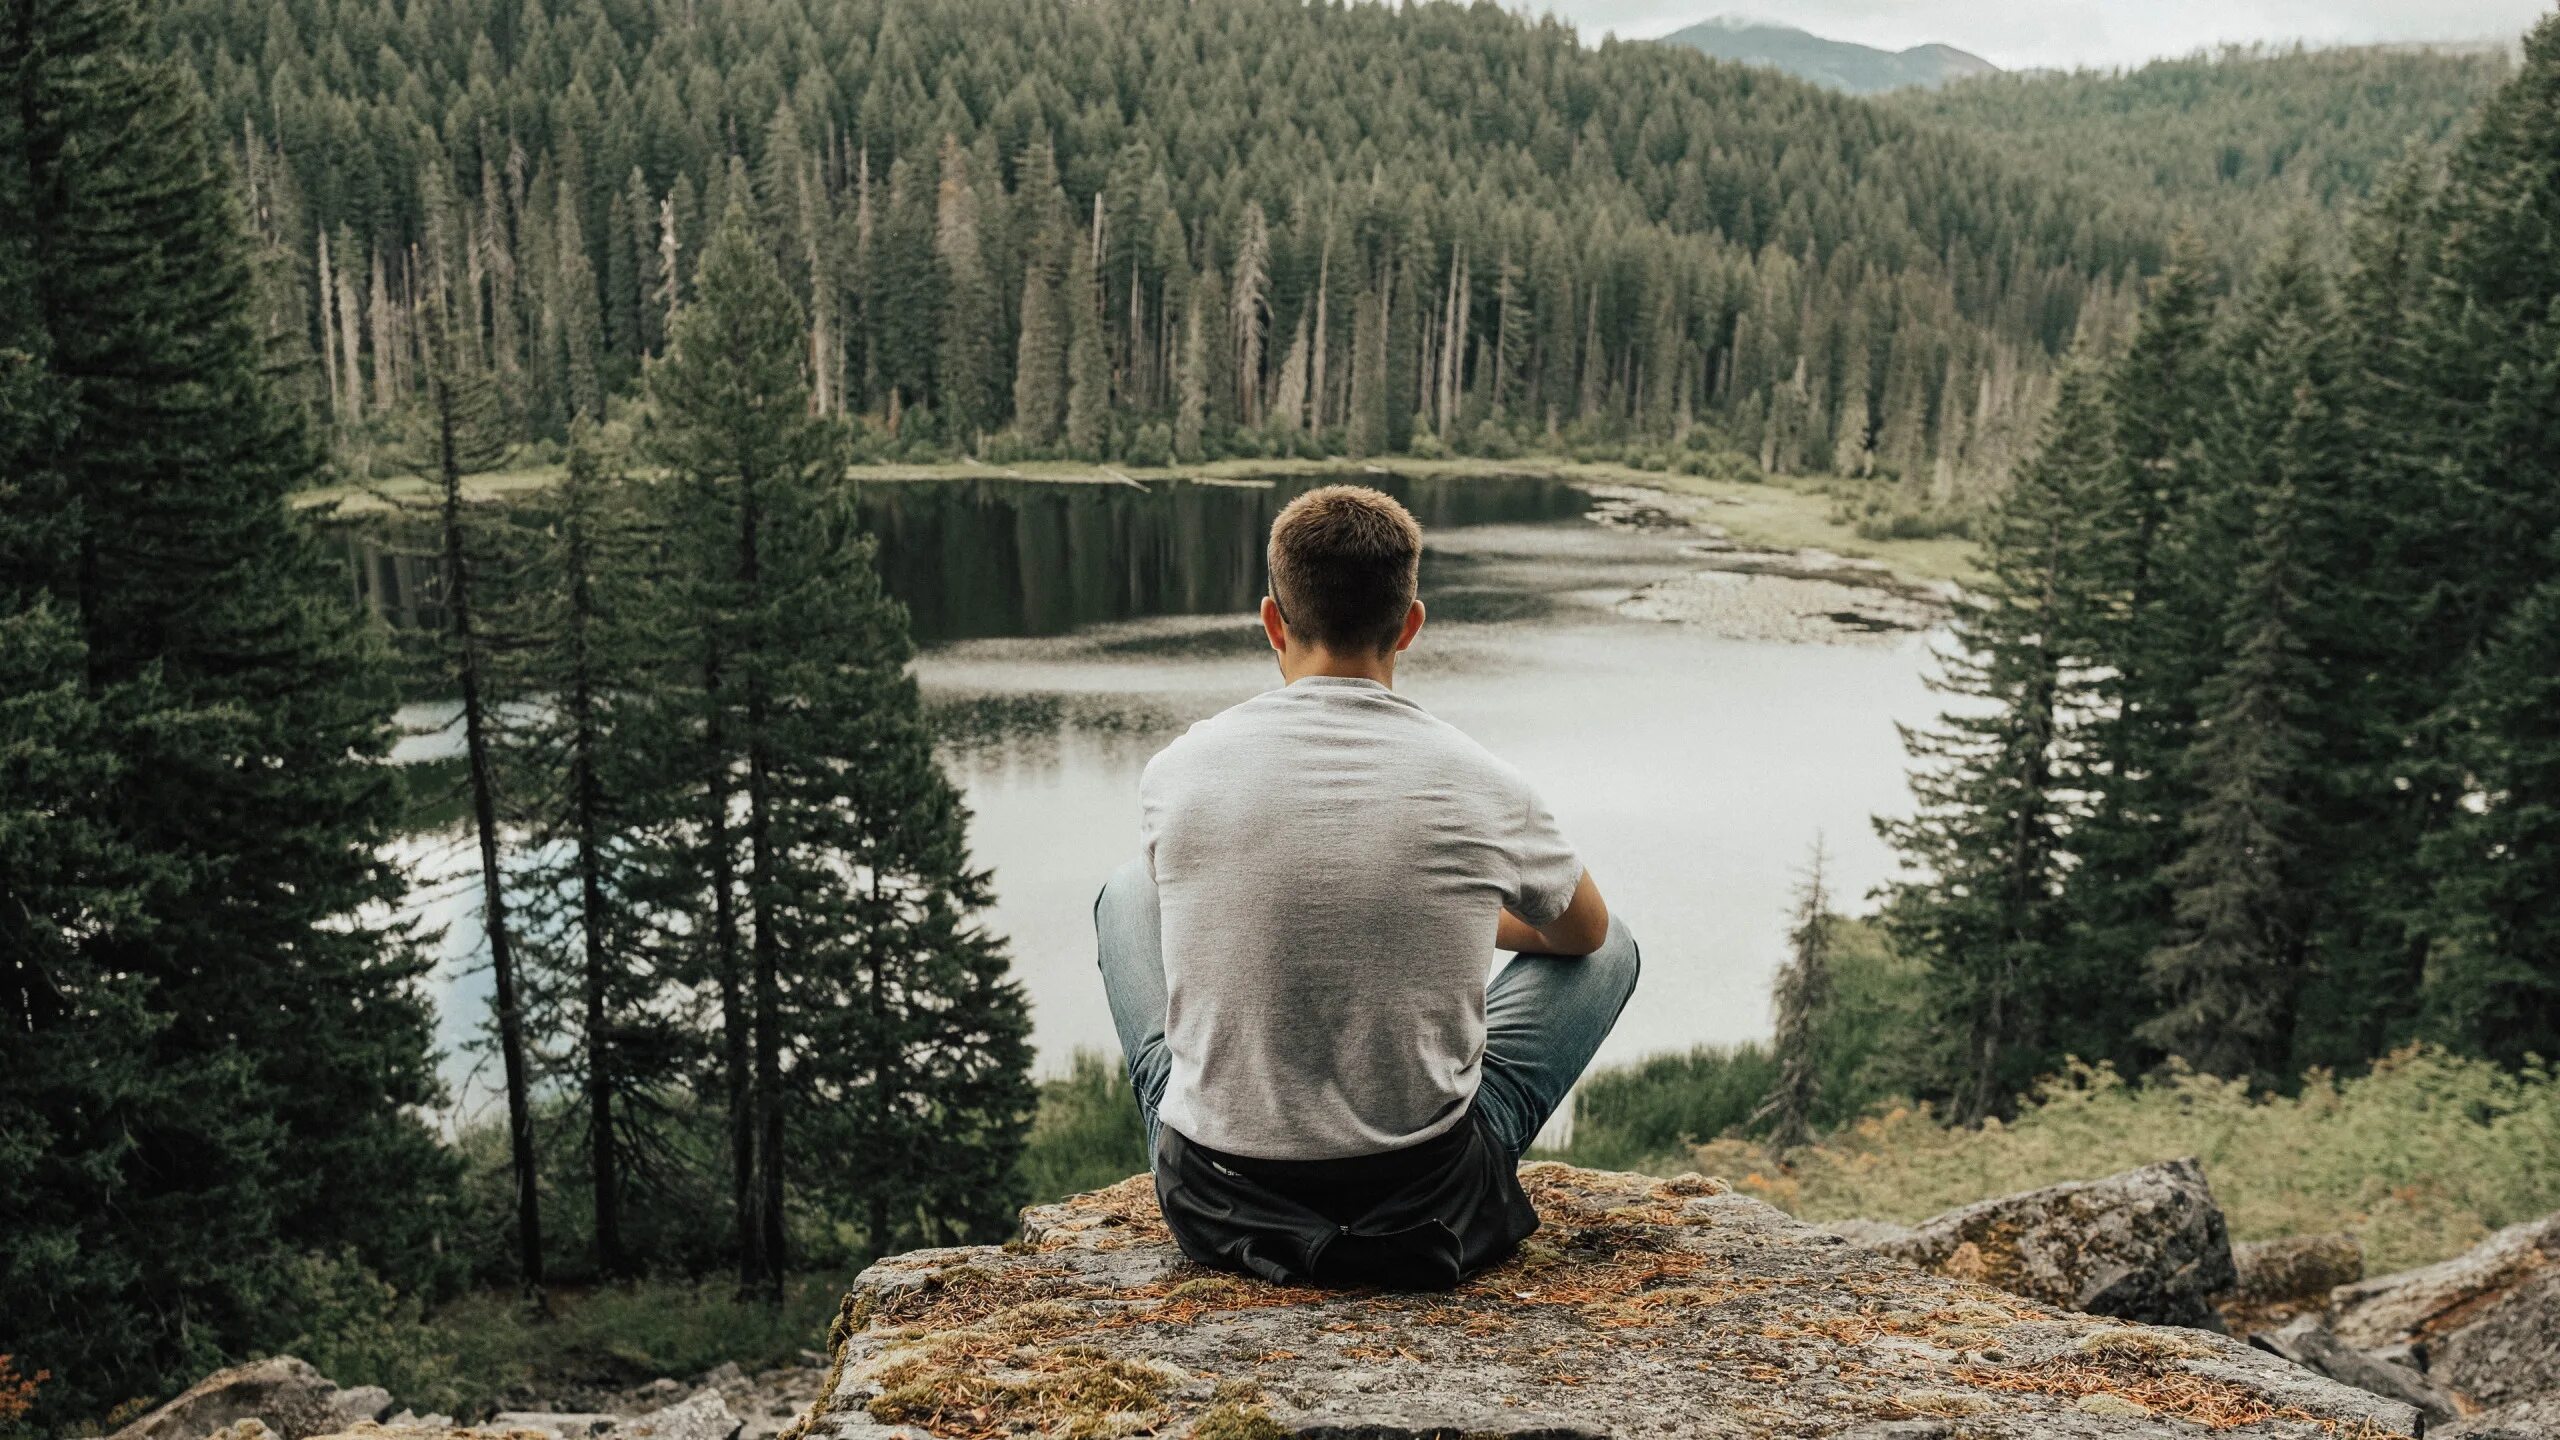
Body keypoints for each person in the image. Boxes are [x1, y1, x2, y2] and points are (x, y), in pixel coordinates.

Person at [1092, 483, 1639, 1289]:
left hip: (1217, 1199)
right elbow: (1585, 937)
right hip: (1426, 1201)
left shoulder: (1179, 771)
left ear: (1272, 622)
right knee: (1616, 946)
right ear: (1411, 625)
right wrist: (1450, 912)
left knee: (1126, 893)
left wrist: (1421, 911)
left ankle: (1214, 1133)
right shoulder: (1483, 782)